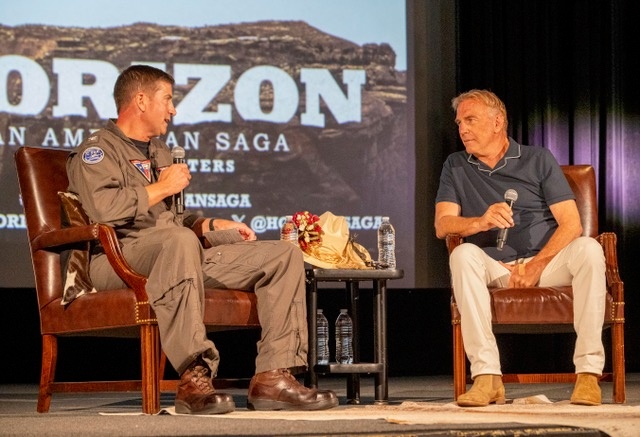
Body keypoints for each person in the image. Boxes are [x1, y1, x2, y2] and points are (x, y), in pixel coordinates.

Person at [66, 64, 338, 414]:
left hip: (174, 253)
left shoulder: (159, 151)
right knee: (178, 242)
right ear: (141, 100)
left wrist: (211, 225)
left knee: (282, 255)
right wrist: (164, 186)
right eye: (167, 99)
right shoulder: (97, 151)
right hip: (115, 259)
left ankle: (273, 376)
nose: (173, 109)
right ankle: (194, 377)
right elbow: (103, 210)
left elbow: (174, 220)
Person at [435, 89, 606, 407]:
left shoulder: (537, 159)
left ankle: (587, 375)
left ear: (497, 121)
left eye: (470, 120)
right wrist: (480, 222)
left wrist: (536, 266)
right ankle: (487, 377)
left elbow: (571, 223)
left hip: (547, 265)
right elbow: (443, 225)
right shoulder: (455, 165)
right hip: (496, 267)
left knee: (589, 249)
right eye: (459, 122)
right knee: (462, 254)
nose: (463, 129)